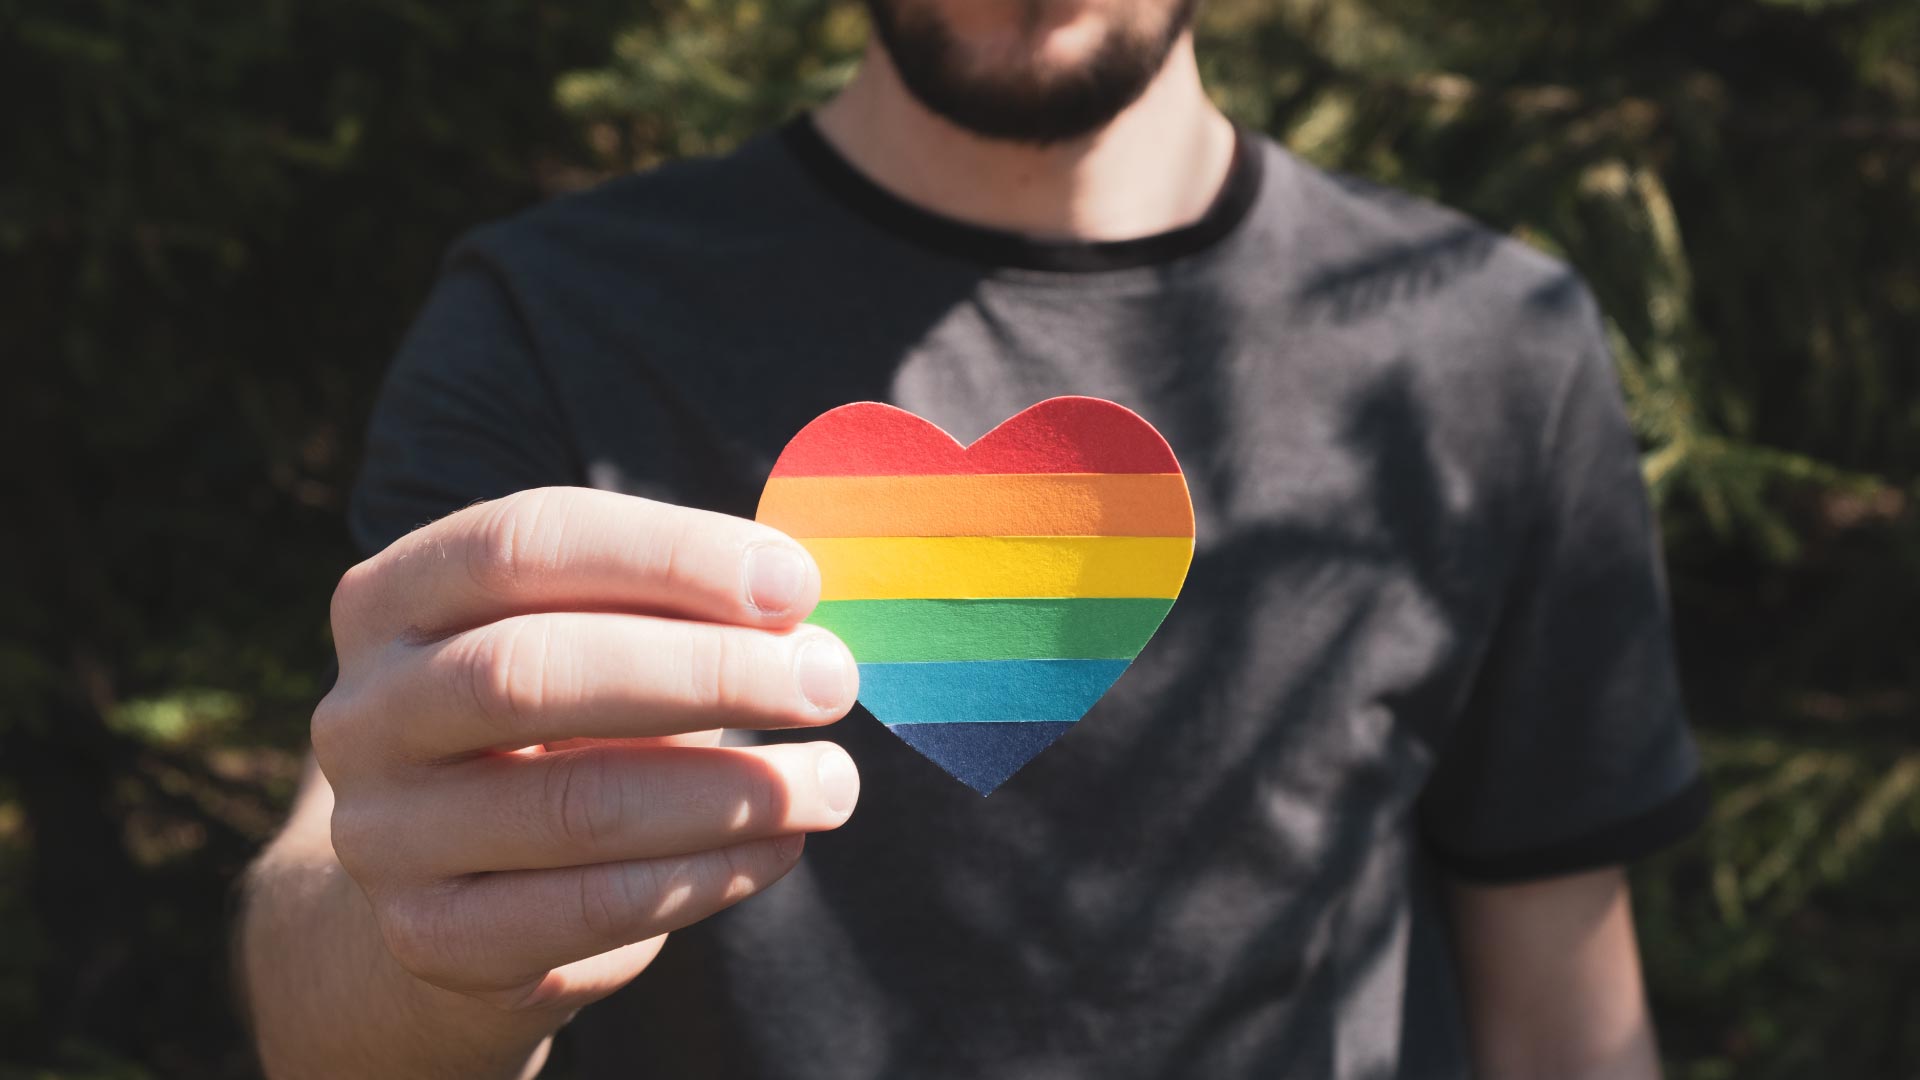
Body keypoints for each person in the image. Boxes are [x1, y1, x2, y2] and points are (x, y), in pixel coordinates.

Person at [238, 1, 1709, 1076]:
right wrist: (426, 955)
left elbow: (1570, 1019)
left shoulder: (1490, 345)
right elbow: (339, 911)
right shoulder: (553, 318)